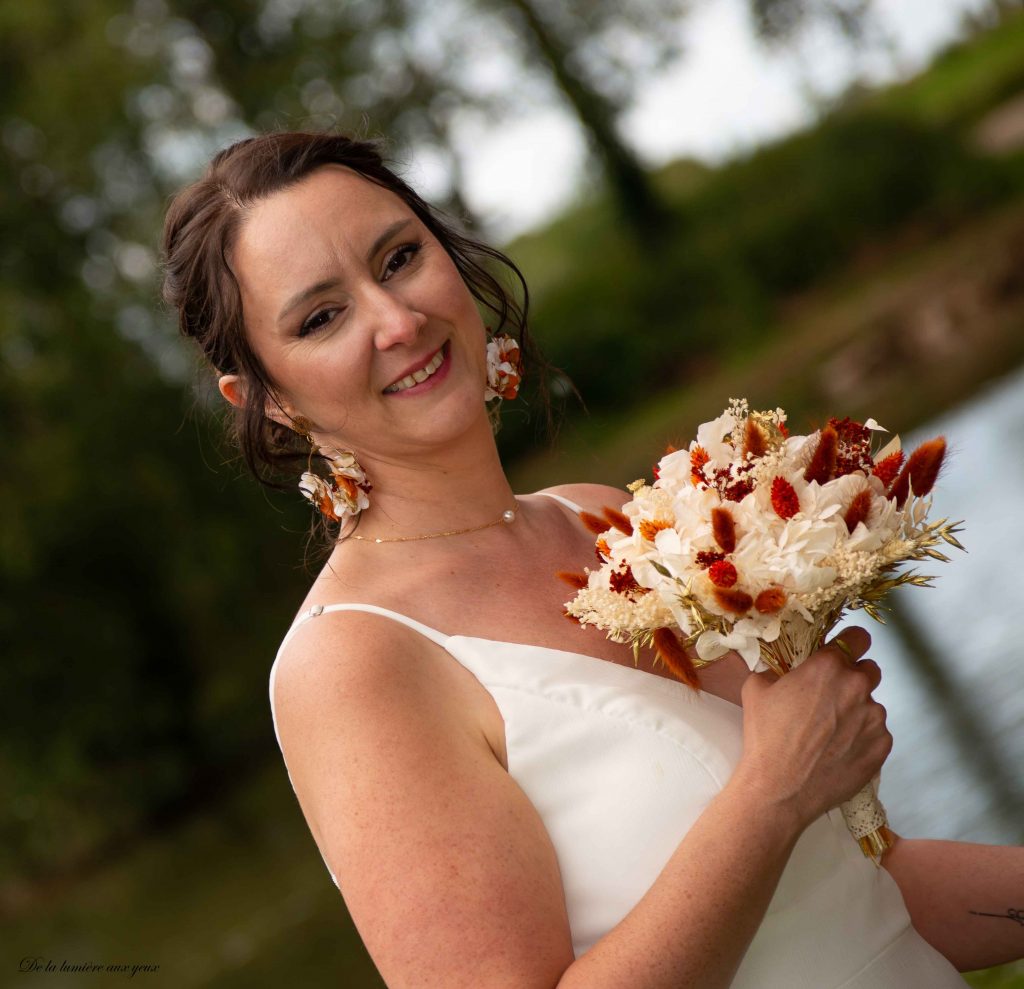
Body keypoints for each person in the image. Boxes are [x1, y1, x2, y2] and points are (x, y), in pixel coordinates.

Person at [162, 131, 1022, 988]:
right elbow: (778, 806)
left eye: (397, 258)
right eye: (322, 317)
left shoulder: (606, 519)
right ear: (268, 400)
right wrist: (774, 796)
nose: (396, 320)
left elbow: (862, 898)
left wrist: (807, 795)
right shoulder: (353, 663)